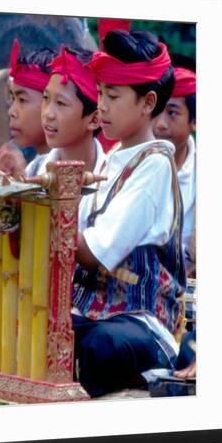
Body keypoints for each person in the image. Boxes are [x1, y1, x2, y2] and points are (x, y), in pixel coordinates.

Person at [70, 30, 187, 398]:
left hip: (143, 323)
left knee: (100, 346)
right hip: (92, 315)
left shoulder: (155, 165)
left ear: (148, 102)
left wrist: (45, 217)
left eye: (113, 96)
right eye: (100, 93)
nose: (100, 105)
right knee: (38, 325)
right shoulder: (112, 161)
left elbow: (91, 254)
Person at [25, 46, 105, 222]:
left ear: (94, 119)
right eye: (46, 98)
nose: (48, 113)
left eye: (61, 103)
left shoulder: (111, 183)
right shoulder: (33, 170)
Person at [153, 66, 196, 276]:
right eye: (157, 110)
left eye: (172, 113)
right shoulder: (129, 159)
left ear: (195, 121)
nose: (160, 124)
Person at [0, 39, 56, 176]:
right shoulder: (34, 166)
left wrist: (21, 186)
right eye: (13, 99)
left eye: (22, 100)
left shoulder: (70, 174)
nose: (11, 112)